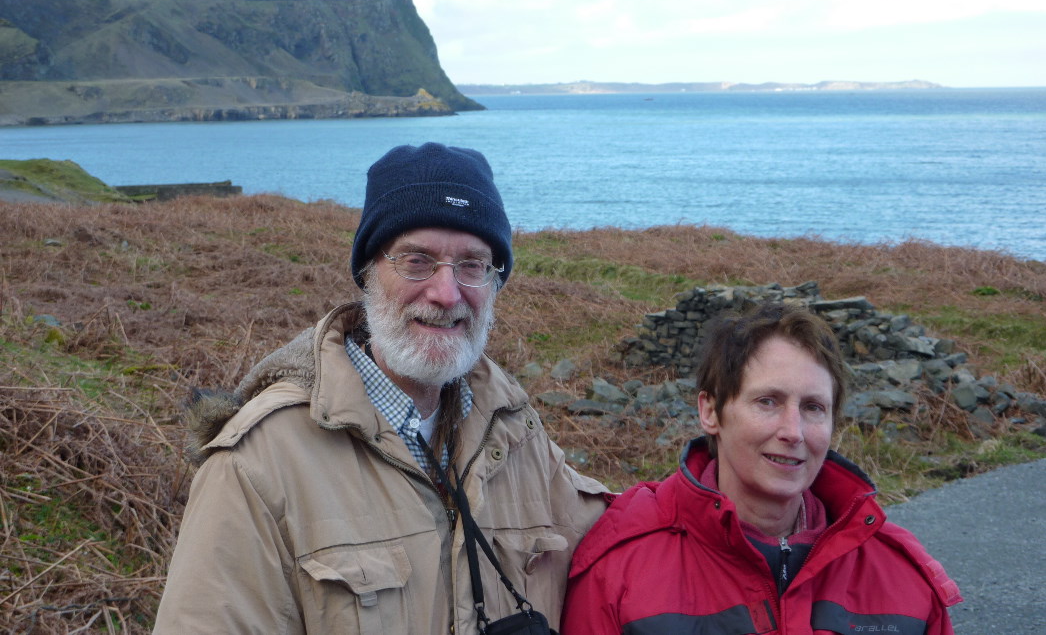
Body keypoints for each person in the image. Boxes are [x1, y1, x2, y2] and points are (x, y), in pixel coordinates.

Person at [154, 142, 609, 634]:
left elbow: (624, 532)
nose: (447, 293)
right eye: (417, 261)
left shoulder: (515, 430)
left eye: (473, 265)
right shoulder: (256, 466)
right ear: (368, 272)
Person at [562, 302, 962, 634]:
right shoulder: (618, 572)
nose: (794, 432)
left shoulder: (903, 576)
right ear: (710, 411)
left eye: (813, 408)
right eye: (767, 401)